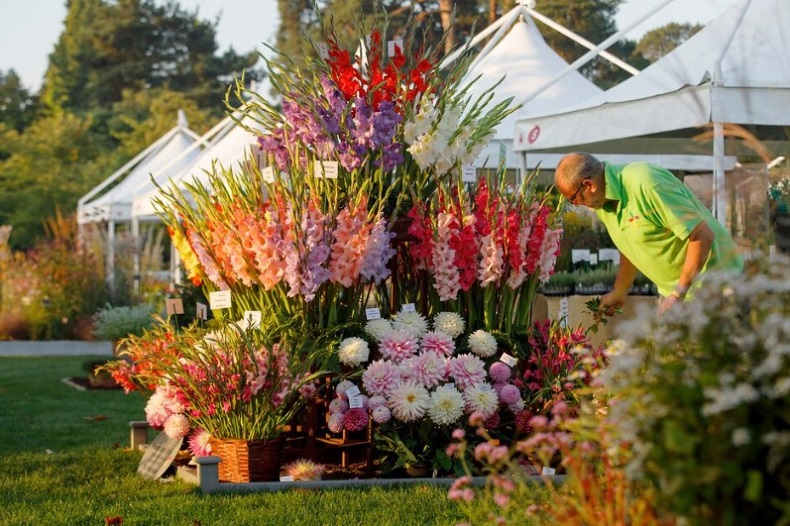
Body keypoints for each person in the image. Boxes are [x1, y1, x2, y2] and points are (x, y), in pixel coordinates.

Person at [554, 152, 744, 314]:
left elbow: (702, 235)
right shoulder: (603, 203)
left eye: (574, 198)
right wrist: (620, 290)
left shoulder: (647, 183)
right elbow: (631, 246)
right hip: (678, 293)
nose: (576, 205)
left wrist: (679, 293)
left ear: (589, 185)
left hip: (719, 287)